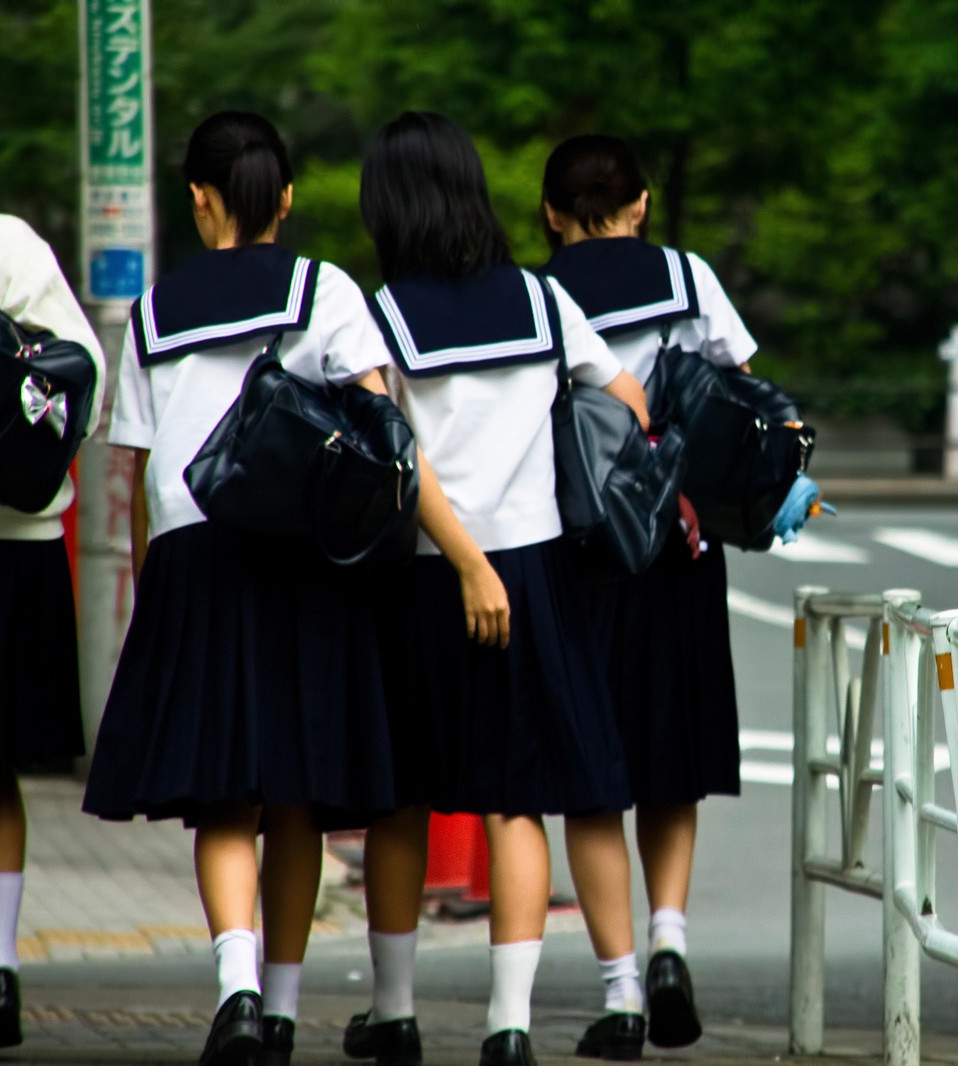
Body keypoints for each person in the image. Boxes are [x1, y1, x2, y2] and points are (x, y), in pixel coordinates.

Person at [80, 110, 509, 1066]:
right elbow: (378, 430)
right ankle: (277, 1009)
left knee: (223, 799)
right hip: (305, 562)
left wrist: (156, 591)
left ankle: (233, 988)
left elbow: (139, 473)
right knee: (296, 792)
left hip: (194, 558)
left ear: (199, 200)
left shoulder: (151, 313)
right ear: (284, 201)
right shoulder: (325, 290)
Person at [345, 112, 648, 1066]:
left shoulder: (378, 314)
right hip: (535, 570)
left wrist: (466, 557)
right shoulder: (539, 299)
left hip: (427, 571)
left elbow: (396, 459)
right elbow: (627, 400)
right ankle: (508, 1026)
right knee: (514, 798)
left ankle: (393, 1016)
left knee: (401, 799)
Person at [541, 134, 757, 1053]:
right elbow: (742, 396)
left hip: (577, 553)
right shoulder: (687, 275)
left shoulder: (538, 296)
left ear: (551, 215)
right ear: (640, 206)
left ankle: (622, 992)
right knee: (672, 751)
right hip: (678, 545)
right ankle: (670, 934)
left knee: (592, 777)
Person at [0, 107, 107, 1065]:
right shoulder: (8, 243)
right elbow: (82, 375)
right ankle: (1, 962)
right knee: (2, 761)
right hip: (19, 537)